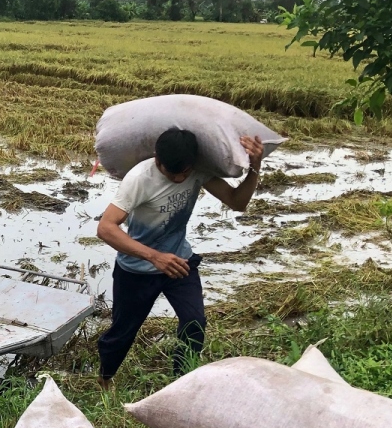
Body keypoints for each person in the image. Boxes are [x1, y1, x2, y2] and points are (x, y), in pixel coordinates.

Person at [96, 128, 265, 387]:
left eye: (184, 173)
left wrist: (255, 166)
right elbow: (106, 228)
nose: (179, 179)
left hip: (179, 263)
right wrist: (154, 257)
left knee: (194, 322)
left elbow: (237, 202)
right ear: (157, 160)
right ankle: (105, 379)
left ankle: (181, 383)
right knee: (122, 333)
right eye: (171, 173)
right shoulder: (139, 179)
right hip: (136, 270)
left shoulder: (196, 170)